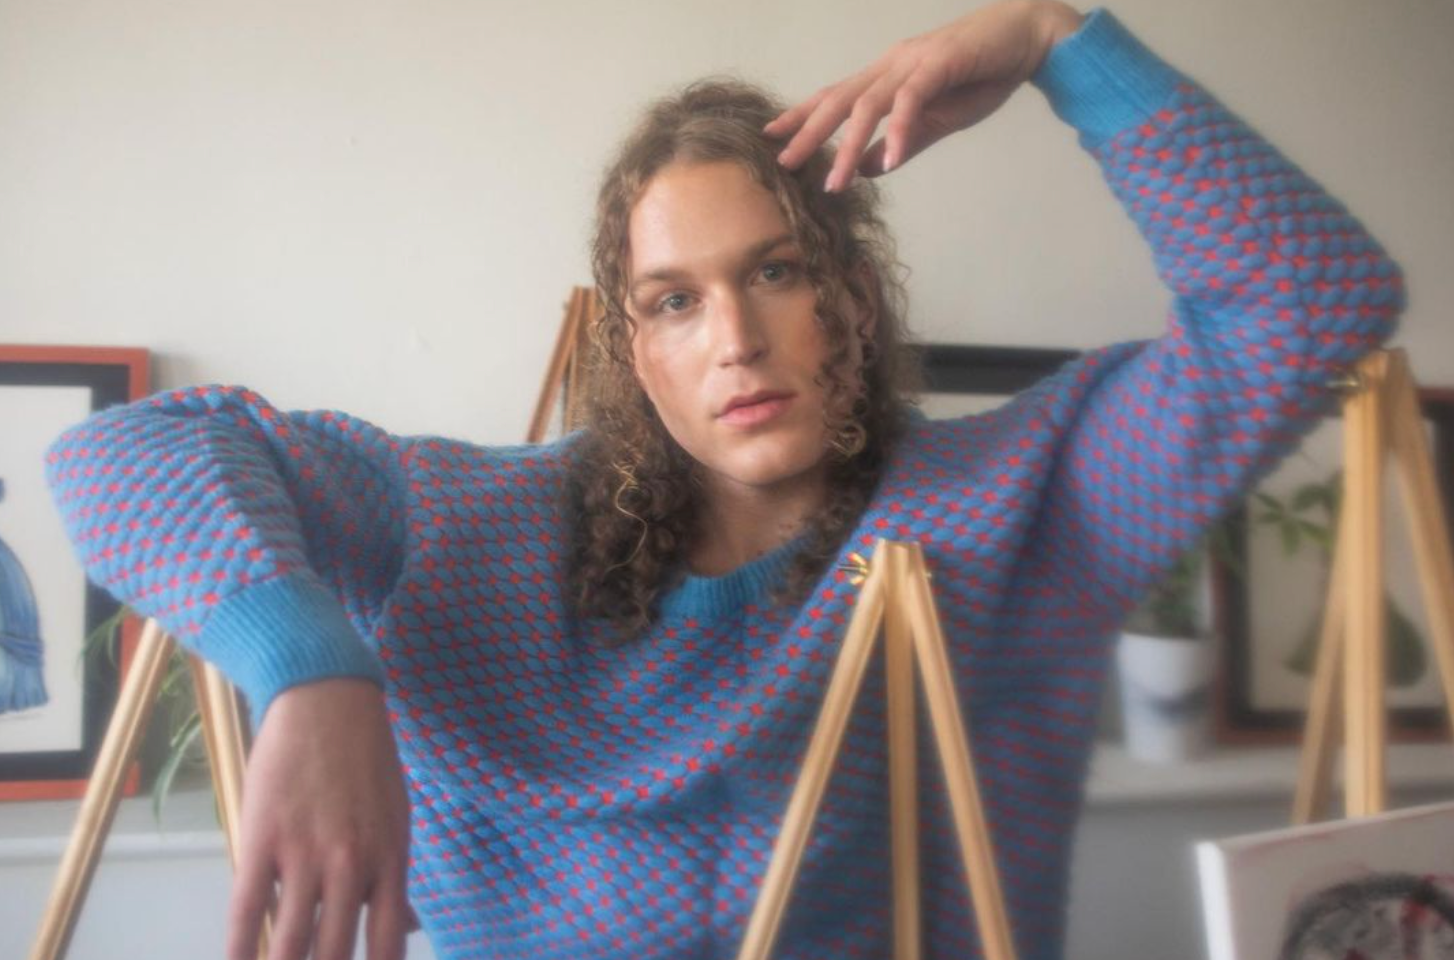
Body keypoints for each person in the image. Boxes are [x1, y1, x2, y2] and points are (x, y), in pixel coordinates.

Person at [45, 3, 1404, 959]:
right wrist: (309, 670)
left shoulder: (1023, 502)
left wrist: (1053, 40)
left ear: (853, 298)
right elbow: (117, 453)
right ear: (633, 343)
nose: (737, 341)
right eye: (675, 301)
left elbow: (1313, 299)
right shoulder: (464, 517)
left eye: (776, 271)